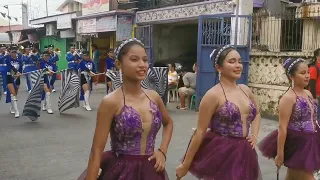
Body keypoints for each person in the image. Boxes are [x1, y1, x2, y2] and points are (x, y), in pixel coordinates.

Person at [78, 38, 173, 180]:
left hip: (150, 170)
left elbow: (169, 123)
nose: (142, 65)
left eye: (145, 60)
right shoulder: (110, 102)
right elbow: (97, 150)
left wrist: (162, 151)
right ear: (118, 64)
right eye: (134, 59)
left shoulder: (153, 97)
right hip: (120, 170)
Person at [176, 45, 262, 180]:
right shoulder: (212, 95)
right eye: (232, 61)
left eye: (239, 61)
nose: (238, 65)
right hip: (222, 153)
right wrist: (186, 164)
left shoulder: (246, 90)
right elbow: (199, 132)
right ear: (218, 67)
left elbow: (257, 113)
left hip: (245, 152)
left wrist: (255, 135)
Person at [258, 58, 320, 180]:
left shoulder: (308, 94)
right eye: (302, 73)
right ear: (291, 76)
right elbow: (282, 127)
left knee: (292, 177)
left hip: (312, 140)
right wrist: (280, 153)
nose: (307, 76)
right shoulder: (288, 98)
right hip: (297, 144)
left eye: (307, 72)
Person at [5, 44, 23, 118]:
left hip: (17, 78)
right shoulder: (7, 59)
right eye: (12, 52)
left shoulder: (19, 60)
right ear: (10, 52)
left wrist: (19, 73)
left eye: (15, 52)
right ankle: (17, 111)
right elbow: (9, 66)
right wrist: (16, 72)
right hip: (9, 76)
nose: (14, 53)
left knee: (15, 93)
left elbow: (21, 68)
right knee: (13, 94)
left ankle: (12, 107)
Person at [308, 48, 320, 120]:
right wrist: (314, 97)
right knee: (317, 116)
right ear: (317, 57)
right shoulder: (313, 68)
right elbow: (312, 83)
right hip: (317, 96)